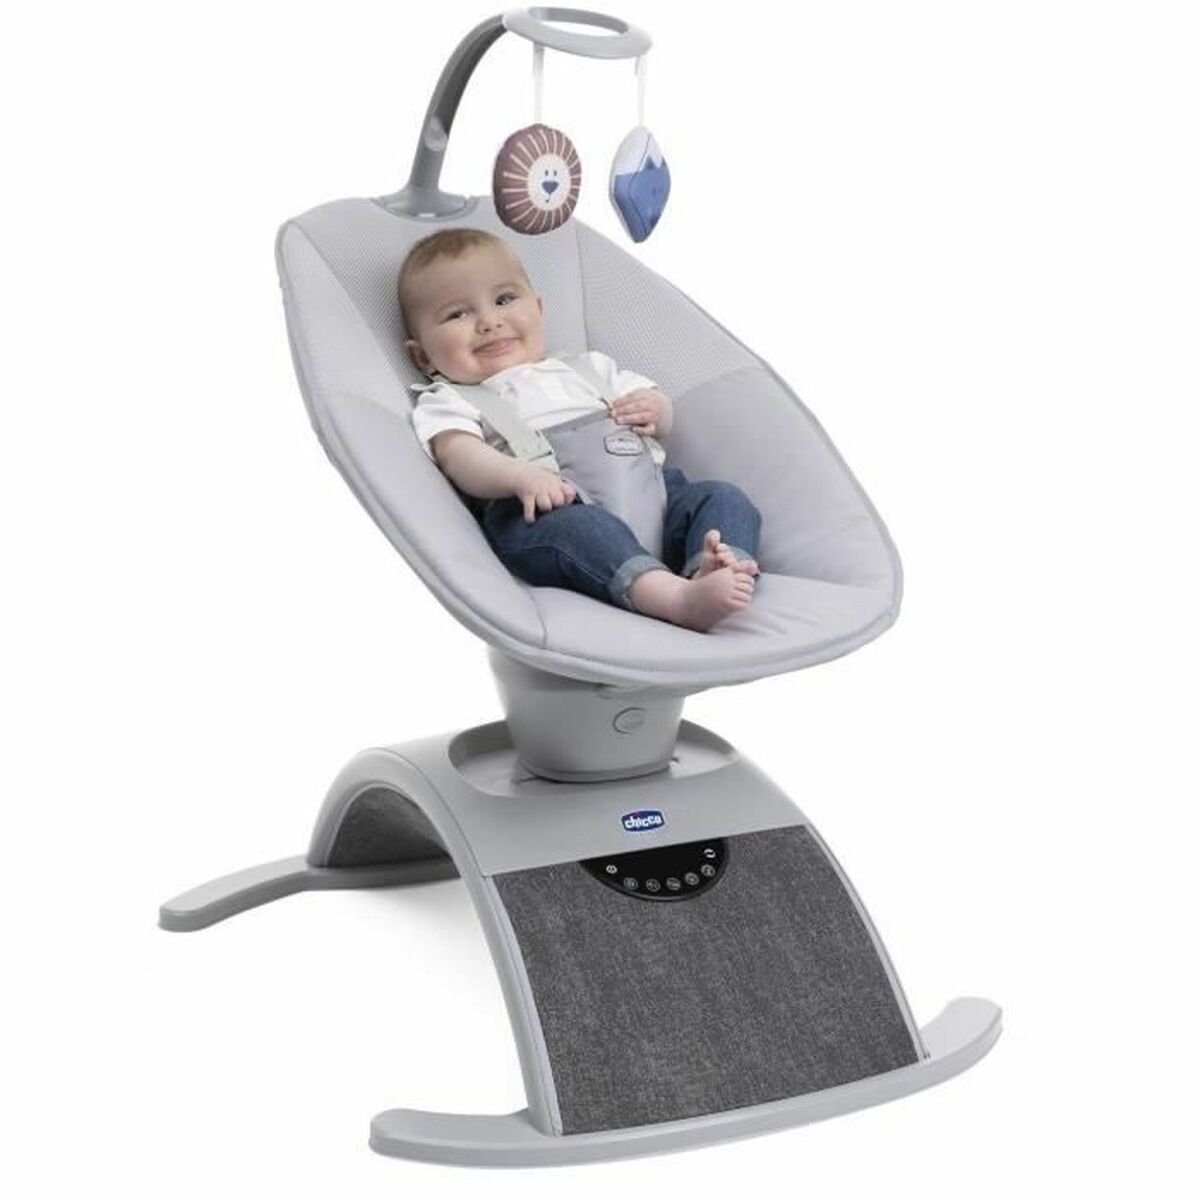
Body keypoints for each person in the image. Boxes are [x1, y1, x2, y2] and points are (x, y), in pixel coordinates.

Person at [399, 228, 761, 632]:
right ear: (422, 356)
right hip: (550, 515)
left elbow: (656, 410)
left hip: (652, 497)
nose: (490, 322)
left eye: (504, 300)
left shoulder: (588, 367)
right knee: (583, 530)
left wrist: (656, 409)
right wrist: (518, 476)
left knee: (721, 497)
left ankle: (711, 569)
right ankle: (674, 598)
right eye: (458, 314)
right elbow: (460, 457)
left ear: (538, 309)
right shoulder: (450, 398)